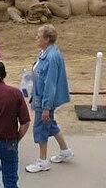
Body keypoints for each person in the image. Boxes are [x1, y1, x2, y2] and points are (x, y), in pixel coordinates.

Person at [25, 24, 72, 173]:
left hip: (43, 100)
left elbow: (50, 84)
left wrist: (46, 107)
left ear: (47, 39)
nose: (36, 39)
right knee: (50, 124)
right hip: (41, 97)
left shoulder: (51, 57)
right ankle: (65, 151)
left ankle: (42, 161)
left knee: (41, 127)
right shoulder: (46, 52)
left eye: (39, 37)